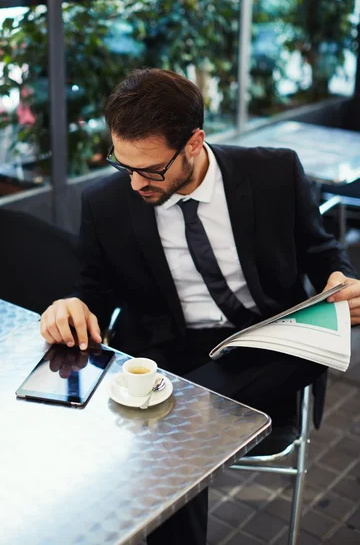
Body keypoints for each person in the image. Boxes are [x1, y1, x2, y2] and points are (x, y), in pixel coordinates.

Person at [41, 68, 360, 545]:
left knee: (167, 430)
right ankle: (180, 423)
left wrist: (343, 275)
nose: (135, 185)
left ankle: (176, 422)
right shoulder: (103, 204)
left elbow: (320, 250)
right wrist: (71, 305)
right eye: (123, 165)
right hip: (171, 353)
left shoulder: (273, 171)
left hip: (274, 340)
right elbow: (94, 291)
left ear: (193, 143)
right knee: (175, 437)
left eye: (151, 170)